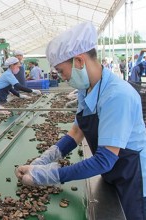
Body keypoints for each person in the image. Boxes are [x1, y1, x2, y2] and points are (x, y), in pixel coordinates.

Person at [15, 22, 146, 220]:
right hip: (114, 172)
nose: (62, 77)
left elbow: (104, 160)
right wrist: (44, 160)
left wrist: (49, 176)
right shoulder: (88, 89)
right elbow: (76, 132)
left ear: (79, 61)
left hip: (133, 179)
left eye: (61, 70)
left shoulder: (117, 96)